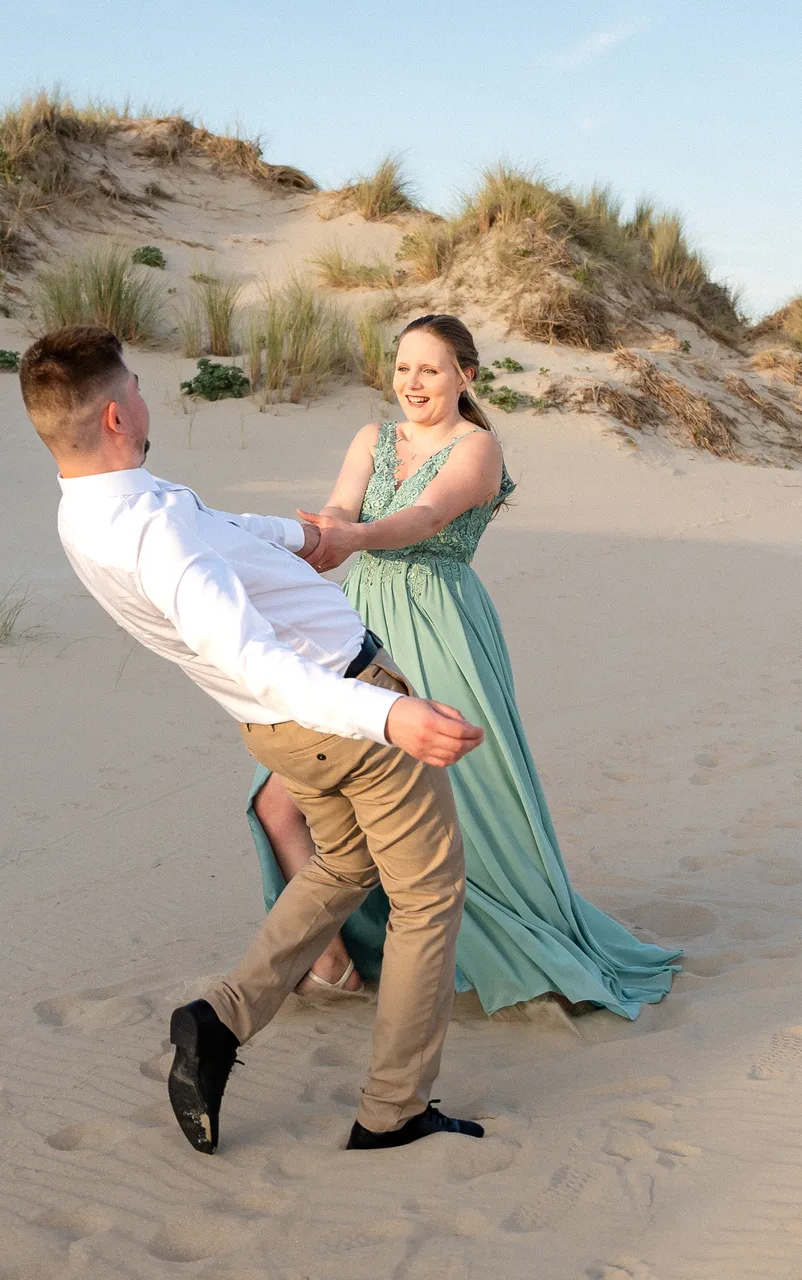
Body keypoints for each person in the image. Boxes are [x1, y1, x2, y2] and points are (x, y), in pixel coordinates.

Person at [22, 324, 487, 1155]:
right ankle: (393, 1111)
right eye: (135, 384)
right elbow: (256, 658)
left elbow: (210, 523)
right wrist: (390, 716)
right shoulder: (153, 538)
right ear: (118, 417)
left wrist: (296, 537)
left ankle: (220, 1017)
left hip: (279, 735)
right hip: (339, 706)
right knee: (427, 897)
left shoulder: (95, 508)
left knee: (344, 865)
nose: (143, 394)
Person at [251, 314, 681, 1017]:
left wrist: (351, 535)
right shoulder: (372, 437)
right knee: (283, 797)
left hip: (436, 623)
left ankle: (496, 947)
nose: (411, 382)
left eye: (429, 368)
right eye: (402, 367)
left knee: (460, 802)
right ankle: (331, 960)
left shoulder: (477, 448)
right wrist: (322, 532)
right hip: (352, 623)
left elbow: (422, 520)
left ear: (464, 376)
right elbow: (340, 507)